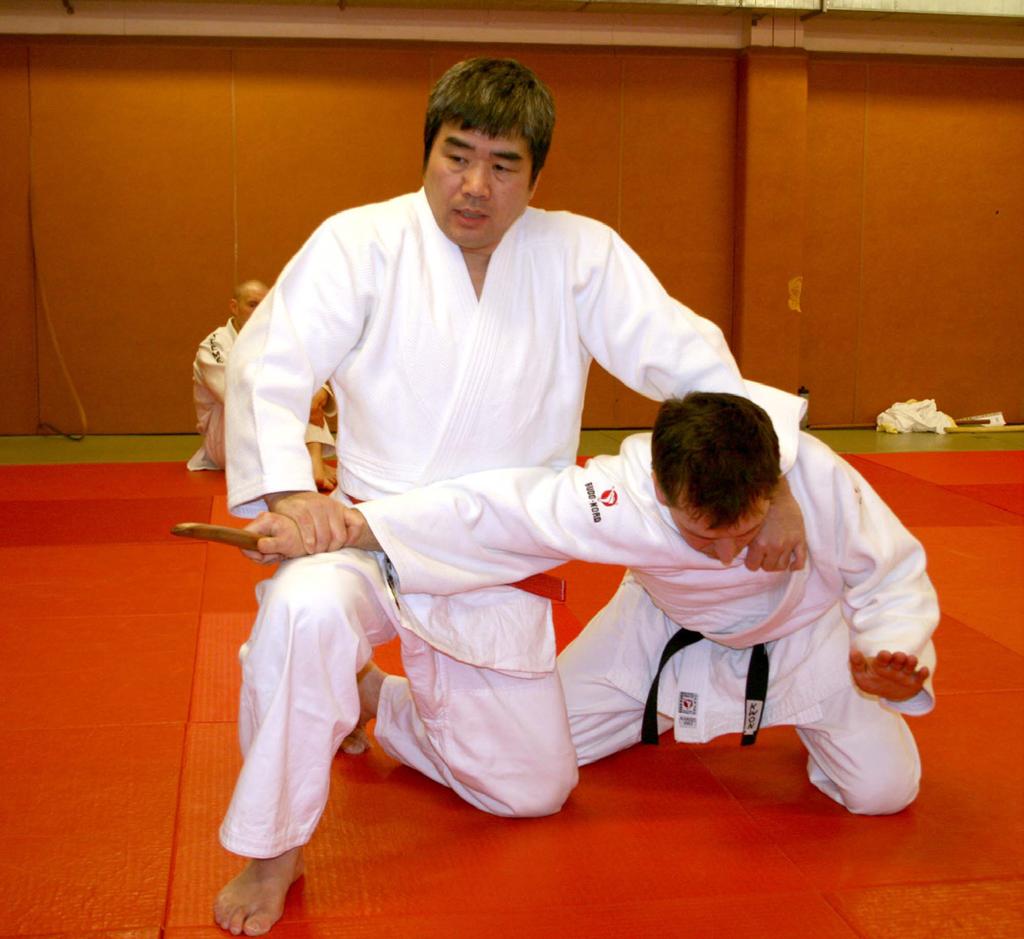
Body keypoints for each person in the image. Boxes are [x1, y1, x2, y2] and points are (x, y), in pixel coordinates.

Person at [217, 58, 809, 936]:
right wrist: (289, 489)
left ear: (537, 175)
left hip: (497, 555)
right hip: (367, 539)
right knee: (301, 613)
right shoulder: (361, 243)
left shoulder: (580, 256)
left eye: (503, 166)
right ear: (427, 151)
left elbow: (694, 363)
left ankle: (375, 700)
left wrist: (777, 479)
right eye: (457, 155)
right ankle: (272, 844)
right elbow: (271, 362)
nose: (473, 185)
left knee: (533, 789)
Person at [319, 385, 936, 816]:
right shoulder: (621, 494)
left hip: (805, 639)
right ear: (663, 493)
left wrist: (889, 652)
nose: (725, 558)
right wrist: (352, 525)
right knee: (521, 754)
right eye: (702, 537)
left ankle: (803, 717)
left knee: (884, 793)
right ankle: (380, 697)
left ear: (770, 485)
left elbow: (890, 573)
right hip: (656, 632)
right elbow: (496, 513)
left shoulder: (818, 481)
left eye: (743, 535)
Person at [188, 279, 338, 491]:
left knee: (309, 390)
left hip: (270, 427)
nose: (260, 312)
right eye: (252, 304)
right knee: (286, 396)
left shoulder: (277, 338)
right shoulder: (214, 345)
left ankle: (310, 462)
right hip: (227, 438)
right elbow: (237, 397)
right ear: (234, 307)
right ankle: (305, 463)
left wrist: (319, 391)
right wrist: (298, 397)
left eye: (265, 305)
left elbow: (309, 370)